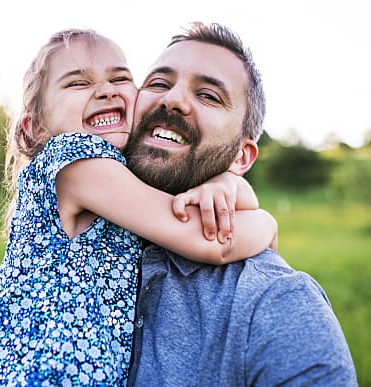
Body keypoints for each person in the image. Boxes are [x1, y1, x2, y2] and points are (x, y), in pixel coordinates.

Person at [0, 29, 277, 386]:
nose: (107, 91)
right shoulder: (76, 161)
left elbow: (202, 203)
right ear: (35, 127)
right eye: (78, 83)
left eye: (120, 78)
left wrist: (224, 183)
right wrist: (266, 224)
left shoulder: (120, 176)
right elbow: (209, 239)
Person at [123, 22, 358, 386]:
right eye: (157, 83)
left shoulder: (276, 303)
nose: (172, 99)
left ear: (241, 157)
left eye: (209, 95)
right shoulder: (70, 230)